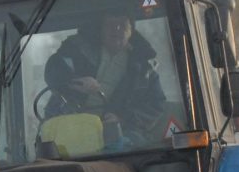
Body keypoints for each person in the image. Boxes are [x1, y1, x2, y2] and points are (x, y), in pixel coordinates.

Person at [43, 9, 165, 146]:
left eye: (122, 25)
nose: (116, 29)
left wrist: (122, 119)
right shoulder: (76, 49)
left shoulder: (144, 68)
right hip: (68, 123)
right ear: (101, 29)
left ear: (131, 32)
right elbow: (54, 70)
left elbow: (156, 104)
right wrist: (73, 81)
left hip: (118, 133)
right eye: (110, 25)